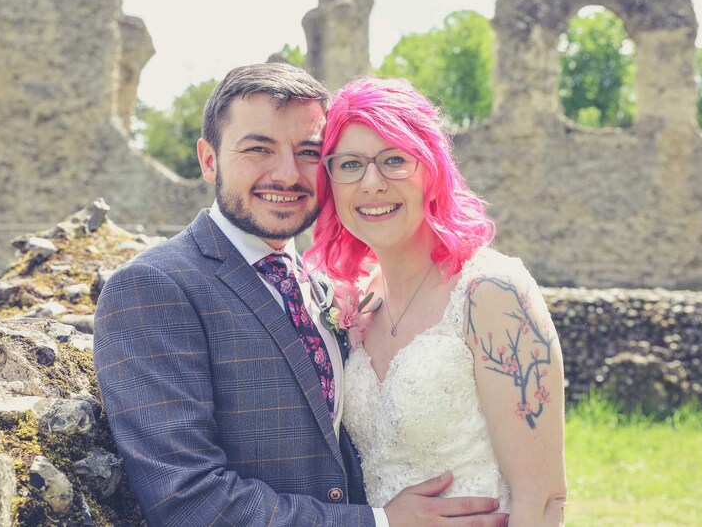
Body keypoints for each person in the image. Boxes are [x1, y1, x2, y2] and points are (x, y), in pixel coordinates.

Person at [93, 63, 509, 526]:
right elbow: (188, 500)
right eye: (258, 149)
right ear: (209, 159)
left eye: (308, 152)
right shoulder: (153, 288)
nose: (287, 175)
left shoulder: (326, 288)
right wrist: (380, 523)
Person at [306, 76, 568, 526]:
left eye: (394, 160)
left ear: (431, 170)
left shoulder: (492, 293)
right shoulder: (358, 304)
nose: (371, 183)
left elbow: (543, 501)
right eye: (349, 164)